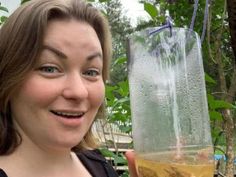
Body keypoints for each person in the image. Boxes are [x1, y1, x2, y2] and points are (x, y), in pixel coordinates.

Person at [0, 0, 138, 176]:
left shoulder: (101, 168)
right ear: (7, 76)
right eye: (49, 68)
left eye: (91, 72)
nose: (79, 92)